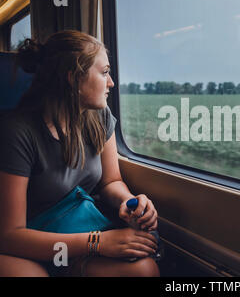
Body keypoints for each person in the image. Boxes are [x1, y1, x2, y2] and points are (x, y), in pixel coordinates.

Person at [0, 30, 160, 277]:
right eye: (105, 73)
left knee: (144, 270)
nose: (111, 83)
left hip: (75, 235)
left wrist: (129, 203)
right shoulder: (17, 132)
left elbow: (111, 181)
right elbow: (10, 235)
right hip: (27, 244)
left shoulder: (100, 117)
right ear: (74, 78)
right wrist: (97, 242)